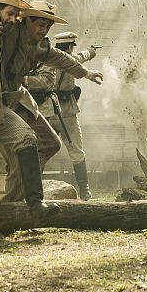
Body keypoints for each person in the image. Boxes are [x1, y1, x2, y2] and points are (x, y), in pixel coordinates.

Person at [0, 0, 99, 223]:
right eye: (10, 13)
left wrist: (85, 72)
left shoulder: (18, 35)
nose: (12, 19)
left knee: (28, 139)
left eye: (16, 14)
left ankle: (35, 205)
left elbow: (58, 56)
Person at [0, 1, 103, 203]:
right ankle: (16, 204)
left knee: (49, 144)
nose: (43, 29)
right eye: (39, 24)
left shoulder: (40, 47)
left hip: (22, 102)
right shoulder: (6, 34)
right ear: (25, 20)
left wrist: (87, 73)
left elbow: (65, 59)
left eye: (47, 26)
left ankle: (23, 201)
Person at [26, 31, 98, 200]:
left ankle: (34, 191)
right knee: (76, 152)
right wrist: (90, 53)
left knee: (41, 151)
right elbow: (78, 58)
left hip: (45, 111)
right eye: (72, 46)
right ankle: (84, 190)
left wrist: (90, 52)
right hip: (66, 112)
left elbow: (80, 57)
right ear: (70, 46)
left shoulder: (45, 59)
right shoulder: (69, 60)